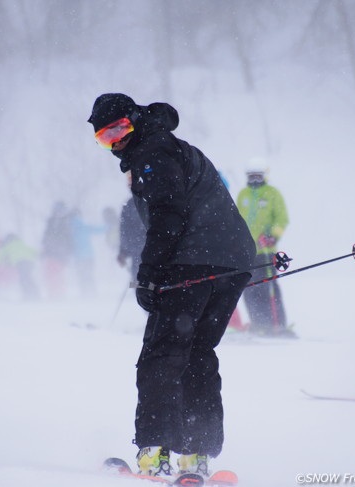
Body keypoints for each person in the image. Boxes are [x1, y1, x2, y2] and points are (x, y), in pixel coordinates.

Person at [88, 93, 255, 477]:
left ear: (134, 120)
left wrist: (148, 273)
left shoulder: (152, 152)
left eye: (118, 130)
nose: (115, 142)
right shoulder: (169, 144)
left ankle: (155, 452)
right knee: (198, 353)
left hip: (193, 262)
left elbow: (168, 214)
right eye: (104, 137)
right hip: (232, 263)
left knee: (162, 356)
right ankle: (196, 455)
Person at [236, 168, 291, 336]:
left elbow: (282, 219)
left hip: (266, 250)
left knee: (268, 286)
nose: (254, 179)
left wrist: (272, 236)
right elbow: (236, 218)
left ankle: (277, 324)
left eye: (257, 176)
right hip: (246, 251)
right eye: (251, 176)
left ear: (264, 176)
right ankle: (258, 323)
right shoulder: (243, 194)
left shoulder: (272, 193)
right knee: (248, 287)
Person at [117, 172, 146, 282]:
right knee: (137, 283)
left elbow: (125, 230)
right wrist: (123, 251)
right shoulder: (129, 205)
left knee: (143, 284)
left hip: (148, 252)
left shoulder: (151, 202)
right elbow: (124, 230)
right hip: (138, 252)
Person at [41, 201, 72, 299]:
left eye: (60, 210)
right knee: (50, 273)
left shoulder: (65, 222)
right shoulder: (51, 222)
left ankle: (59, 293)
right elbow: (46, 236)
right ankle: (53, 293)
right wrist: (45, 248)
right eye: (56, 210)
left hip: (60, 252)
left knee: (58, 273)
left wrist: (68, 250)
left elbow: (68, 238)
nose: (58, 212)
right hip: (52, 252)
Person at [0, 233, 40, 301]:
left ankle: (28, 295)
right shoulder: (21, 244)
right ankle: (35, 294)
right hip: (29, 262)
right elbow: (33, 251)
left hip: (20, 262)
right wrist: (40, 255)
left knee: (23, 279)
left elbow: (0, 256)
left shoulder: (8, 246)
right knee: (27, 277)